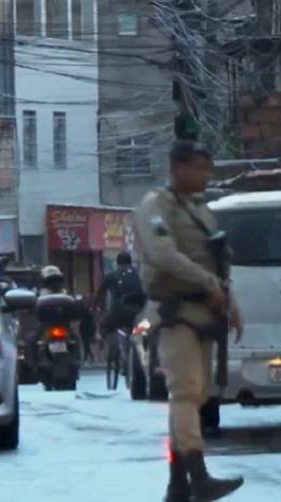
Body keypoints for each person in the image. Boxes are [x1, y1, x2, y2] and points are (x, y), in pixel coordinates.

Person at [135, 141, 244, 502]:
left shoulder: (200, 210)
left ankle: (177, 484)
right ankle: (198, 477)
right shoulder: (156, 207)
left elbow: (217, 261)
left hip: (205, 312)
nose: (205, 175)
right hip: (176, 312)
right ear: (178, 167)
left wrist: (230, 303)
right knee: (185, 392)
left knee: (194, 396)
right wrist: (209, 284)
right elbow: (163, 254)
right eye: (199, 167)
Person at [93, 252, 145, 360]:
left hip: (118, 313)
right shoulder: (141, 274)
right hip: (140, 313)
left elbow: (99, 295)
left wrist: (94, 308)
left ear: (118, 263)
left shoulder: (111, 276)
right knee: (144, 329)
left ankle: (118, 347)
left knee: (104, 326)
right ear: (131, 262)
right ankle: (138, 341)